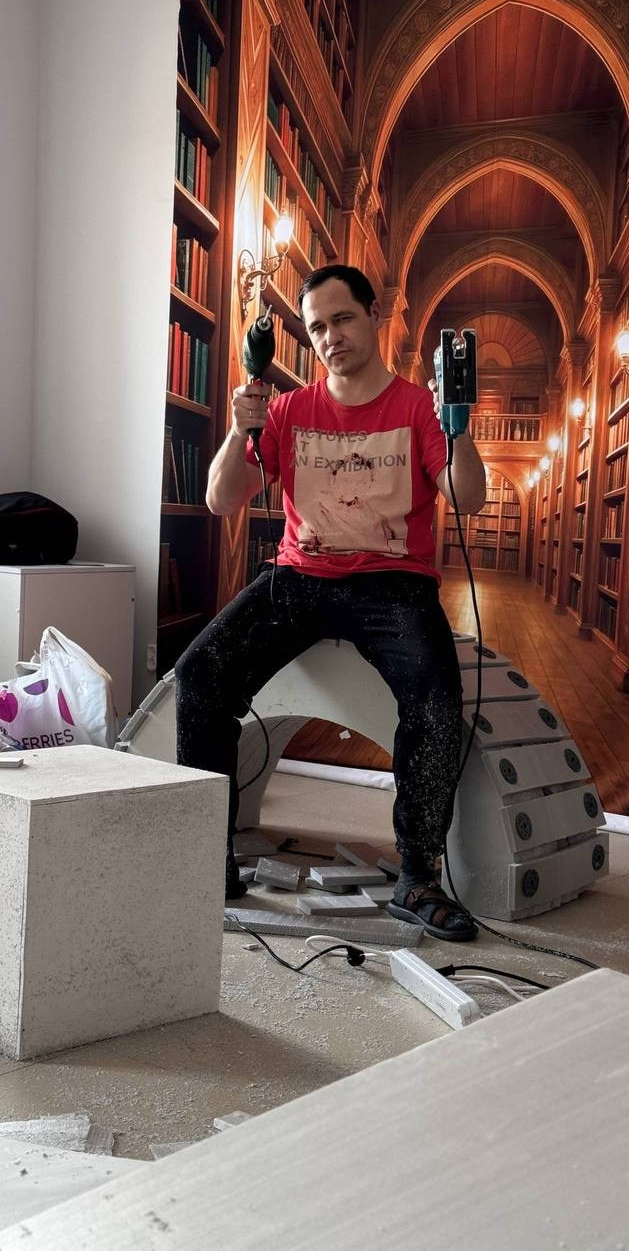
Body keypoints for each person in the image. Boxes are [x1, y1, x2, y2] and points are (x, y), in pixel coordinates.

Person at [175, 265, 487, 941]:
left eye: (342, 319)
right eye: (316, 327)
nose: (330, 337)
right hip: (300, 576)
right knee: (199, 673)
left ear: (373, 317)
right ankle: (202, 856)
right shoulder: (288, 411)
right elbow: (221, 500)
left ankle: (418, 876)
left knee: (436, 697)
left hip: (393, 582)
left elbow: (468, 498)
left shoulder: (418, 408)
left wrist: (458, 425)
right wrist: (238, 429)